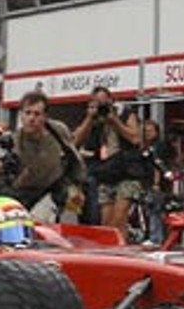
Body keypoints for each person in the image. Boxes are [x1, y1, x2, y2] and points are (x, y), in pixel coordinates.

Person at [10, 89, 86, 224]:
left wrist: (76, 186)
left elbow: (74, 158)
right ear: (21, 115)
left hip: (58, 189)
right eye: (27, 113)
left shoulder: (58, 130)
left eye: (37, 114)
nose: (31, 118)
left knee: (66, 227)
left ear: (45, 116)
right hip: (28, 193)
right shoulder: (15, 141)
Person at [73, 86, 143, 230]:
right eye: (98, 103)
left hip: (127, 171)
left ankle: (121, 251)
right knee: (106, 223)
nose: (102, 107)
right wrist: (89, 118)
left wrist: (115, 121)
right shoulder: (95, 121)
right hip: (105, 172)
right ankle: (113, 249)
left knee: (119, 217)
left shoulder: (125, 114)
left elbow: (136, 139)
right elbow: (75, 142)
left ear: (111, 101)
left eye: (104, 103)